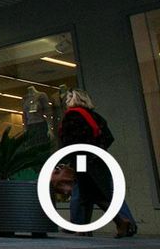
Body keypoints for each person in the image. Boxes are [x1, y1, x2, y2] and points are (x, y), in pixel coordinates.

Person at [58, 89, 136, 238]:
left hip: (82, 158)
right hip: (99, 158)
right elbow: (108, 137)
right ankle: (86, 228)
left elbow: (71, 140)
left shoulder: (72, 116)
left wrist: (69, 158)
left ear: (72, 100)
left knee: (91, 193)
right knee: (91, 192)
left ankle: (120, 222)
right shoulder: (95, 116)